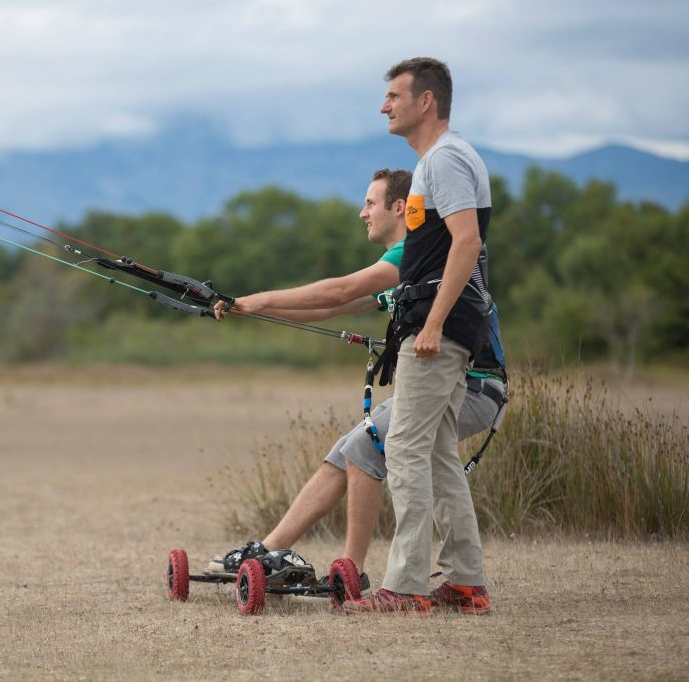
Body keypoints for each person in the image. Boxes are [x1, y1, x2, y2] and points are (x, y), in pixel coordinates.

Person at [207, 168, 507, 602]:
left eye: (370, 203)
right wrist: (253, 311)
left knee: (366, 444)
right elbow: (332, 308)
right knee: (345, 449)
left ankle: (350, 574)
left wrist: (259, 299)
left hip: (475, 390)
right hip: (454, 388)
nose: (361, 212)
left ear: (399, 207)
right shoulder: (407, 262)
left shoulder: (414, 253)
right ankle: (269, 549)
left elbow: (338, 290)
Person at [339, 57, 496, 615]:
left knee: (404, 446)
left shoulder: (446, 158)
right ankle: (465, 582)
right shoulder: (441, 161)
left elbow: (467, 243)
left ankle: (403, 588)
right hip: (452, 327)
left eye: (394, 96)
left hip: (441, 329)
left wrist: (431, 324)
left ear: (426, 101)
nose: (385, 106)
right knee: (434, 453)